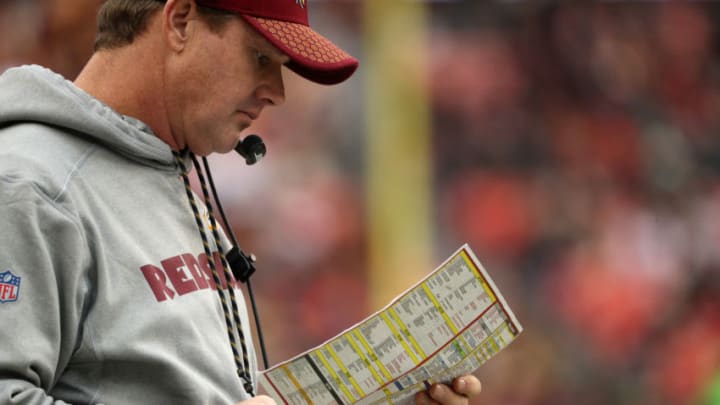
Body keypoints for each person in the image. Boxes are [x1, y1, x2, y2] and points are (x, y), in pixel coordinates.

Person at [0, 0, 483, 404]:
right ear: (181, 21)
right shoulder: (30, 183)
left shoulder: (169, 169)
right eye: (259, 57)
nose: (277, 92)